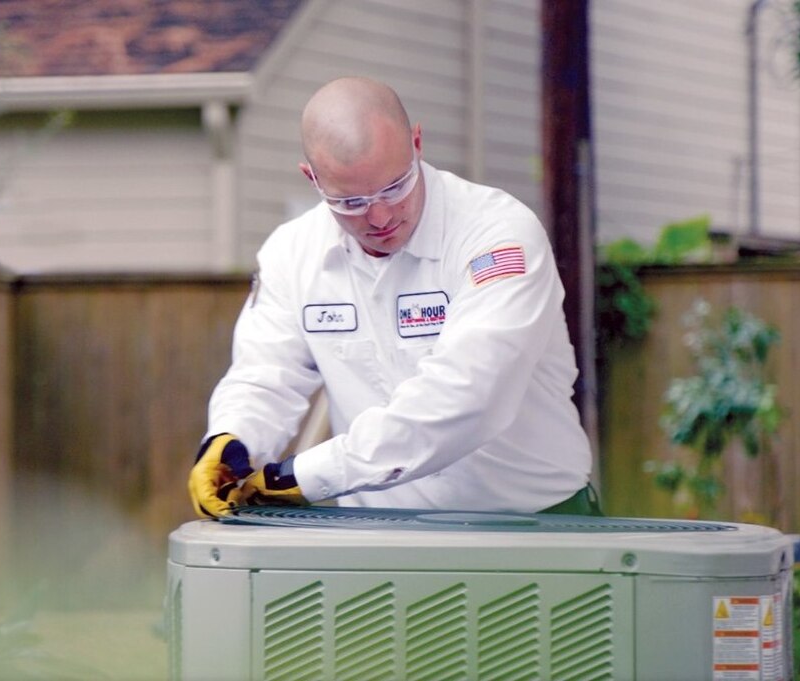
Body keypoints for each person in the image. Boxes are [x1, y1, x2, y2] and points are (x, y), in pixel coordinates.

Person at [188, 76, 595, 517]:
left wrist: (306, 476)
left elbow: (468, 398)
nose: (380, 216)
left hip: (536, 523)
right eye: (351, 201)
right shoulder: (292, 255)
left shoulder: (497, 237)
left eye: (394, 187)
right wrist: (232, 438)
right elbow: (266, 375)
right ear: (312, 178)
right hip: (375, 531)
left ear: (417, 143)